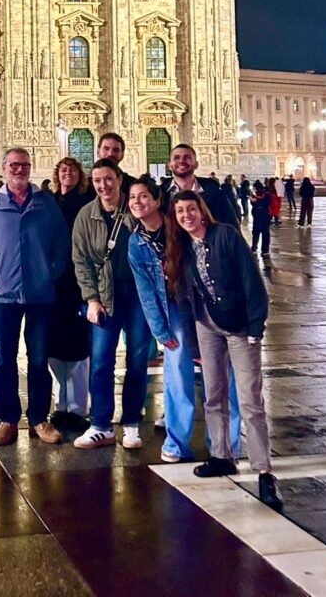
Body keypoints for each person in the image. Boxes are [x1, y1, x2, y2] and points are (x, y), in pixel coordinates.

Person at [165, 191, 282, 510]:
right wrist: (192, 343)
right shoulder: (182, 250)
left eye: (191, 209)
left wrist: (257, 325)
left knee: (250, 399)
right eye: (180, 211)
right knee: (213, 394)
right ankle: (221, 456)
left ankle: (264, 470)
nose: (186, 215)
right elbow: (185, 302)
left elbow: (251, 281)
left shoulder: (226, 235)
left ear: (202, 212)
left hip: (240, 326)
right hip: (207, 327)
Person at [127, 175, 241, 463]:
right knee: (177, 371)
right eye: (132, 198)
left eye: (143, 196)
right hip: (173, 309)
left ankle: (227, 442)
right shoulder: (135, 243)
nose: (137, 202)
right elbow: (146, 291)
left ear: (157, 200)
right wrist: (159, 329)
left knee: (222, 371)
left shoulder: (178, 227)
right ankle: (177, 442)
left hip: (203, 304)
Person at [0, 147, 70, 446]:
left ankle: (39, 418)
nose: (19, 169)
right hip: (4, 295)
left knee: (39, 359)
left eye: (24, 165)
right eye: (14, 165)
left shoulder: (45, 204)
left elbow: (61, 246)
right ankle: (8, 419)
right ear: (3, 168)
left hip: (41, 295)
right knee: (4, 359)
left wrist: (49, 273)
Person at [72, 158, 150, 451]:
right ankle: (100, 425)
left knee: (138, 360)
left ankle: (131, 423)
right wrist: (91, 299)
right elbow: (80, 261)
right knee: (102, 361)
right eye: (97, 181)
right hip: (105, 298)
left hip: (138, 298)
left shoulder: (135, 210)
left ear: (119, 179)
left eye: (108, 179)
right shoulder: (85, 215)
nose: (103, 185)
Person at [48, 157, 94, 431]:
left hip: (77, 283)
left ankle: (78, 408)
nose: (68, 174)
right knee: (54, 346)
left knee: (77, 346)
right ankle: (60, 405)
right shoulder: (49, 201)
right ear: (57, 175)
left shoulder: (87, 203)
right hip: (54, 284)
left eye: (73, 170)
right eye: (63, 170)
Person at [162, 145, 239, 226]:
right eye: (176, 158)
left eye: (187, 157)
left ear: (196, 164)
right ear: (170, 165)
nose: (181, 161)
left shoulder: (215, 193)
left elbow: (231, 225)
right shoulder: (161, 194)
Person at [250, 181, 272, 260]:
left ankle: (264, 250)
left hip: (264, 216)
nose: (254, 190)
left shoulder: (266, 194)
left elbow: (266, 203)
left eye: (255, 188)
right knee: (256, 232)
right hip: (258, 216)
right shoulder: (255, 194)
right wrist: (253, 201)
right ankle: (254, 247)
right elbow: (253, 203)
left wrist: (256, 202)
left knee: (264, 233)